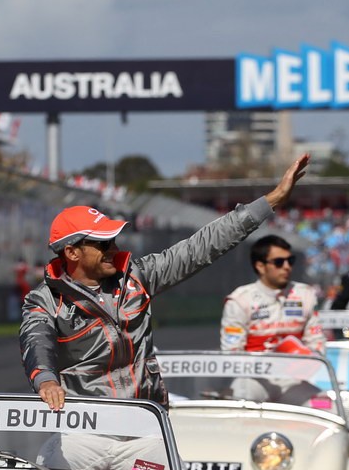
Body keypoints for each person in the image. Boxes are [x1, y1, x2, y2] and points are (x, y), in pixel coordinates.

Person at [21, 155, 310, 411]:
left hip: (143, 421)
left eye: (112, 239)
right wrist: (46, 380)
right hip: (85, 423)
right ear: (72, 252)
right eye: (101, 243)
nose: (113, 248)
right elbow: (36, 341)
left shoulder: (137, 275)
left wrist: (270, 201)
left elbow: (201, 246)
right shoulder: (44, 300)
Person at [220, 234, 326, 354]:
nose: (287, 267)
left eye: (290, 261)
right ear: (260, 266)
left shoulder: (306, 295)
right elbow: (232, 352)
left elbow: (316, 343)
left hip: (298, 370)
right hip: (254, 371)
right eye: (279, 262)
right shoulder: (240, 300)